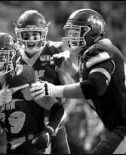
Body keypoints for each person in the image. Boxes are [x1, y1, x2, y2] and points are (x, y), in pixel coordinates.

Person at [29, 9, 126, 154]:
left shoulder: (99, 50)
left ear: (91, 32)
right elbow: (92, 84)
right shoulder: (94, 51)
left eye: (75, 33)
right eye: (70, 33)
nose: (71, 38)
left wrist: (52, 89)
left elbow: (94, 88)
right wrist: (71, 69)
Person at [0, 32, 65, 154]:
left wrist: (48, 131)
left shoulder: (23, 77)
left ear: (14, 58)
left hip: (34, 145)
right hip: (11, 147)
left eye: (2, 57)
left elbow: (57, 108)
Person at [14, 9, 76, 154]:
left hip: (52, 122)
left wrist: (57, 121)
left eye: (35, 34)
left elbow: (72, 93)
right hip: (24, 126)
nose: (31, 39)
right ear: (19, 34)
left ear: (43, 33)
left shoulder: (54, 51)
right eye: (26, 35)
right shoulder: (14, 57)